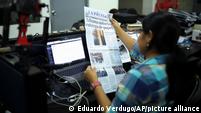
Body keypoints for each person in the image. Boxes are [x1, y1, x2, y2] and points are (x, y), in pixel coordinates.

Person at [84, 12, 192, 113]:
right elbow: (136, 48)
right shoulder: (174, 61)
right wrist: (118, 29)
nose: (139, 34)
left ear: (149, 36)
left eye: (142, 31)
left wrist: (95, 83)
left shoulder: (139, 76)